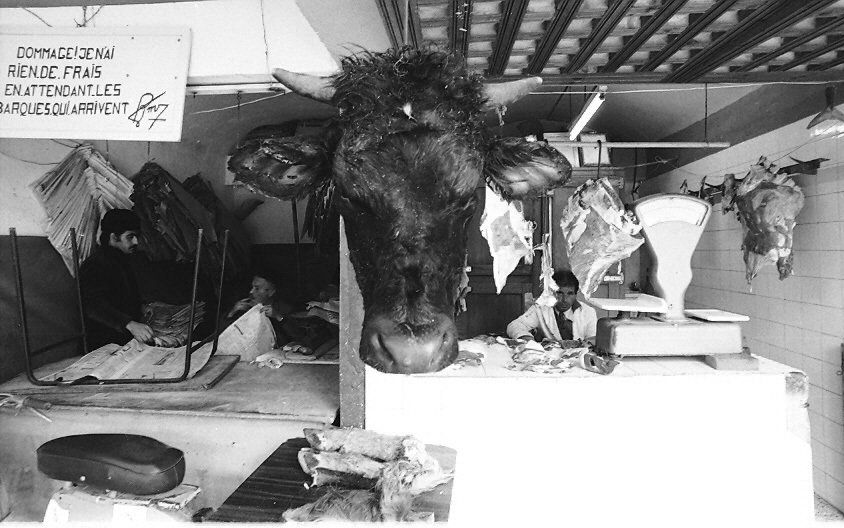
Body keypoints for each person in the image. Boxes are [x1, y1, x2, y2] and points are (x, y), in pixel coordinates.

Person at [79, 209, 154, 349]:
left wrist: (141, 307)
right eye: (130, 237)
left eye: (136, 236)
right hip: (104, 342)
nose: (136, 242)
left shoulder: (122, 259)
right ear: (114, 237)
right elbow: (94, 306)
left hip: (125, 336)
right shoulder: (95, 264)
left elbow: (123, 295)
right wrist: (129, 324)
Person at [506, 269, 598, 342]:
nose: (564, 299)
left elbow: (593, 339)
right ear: (552, 292)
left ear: (576, 294)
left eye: (570, 294)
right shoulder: (541, 308)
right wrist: (527, 338)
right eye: (559, 293)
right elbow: (514, 325)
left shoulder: (588, 312)